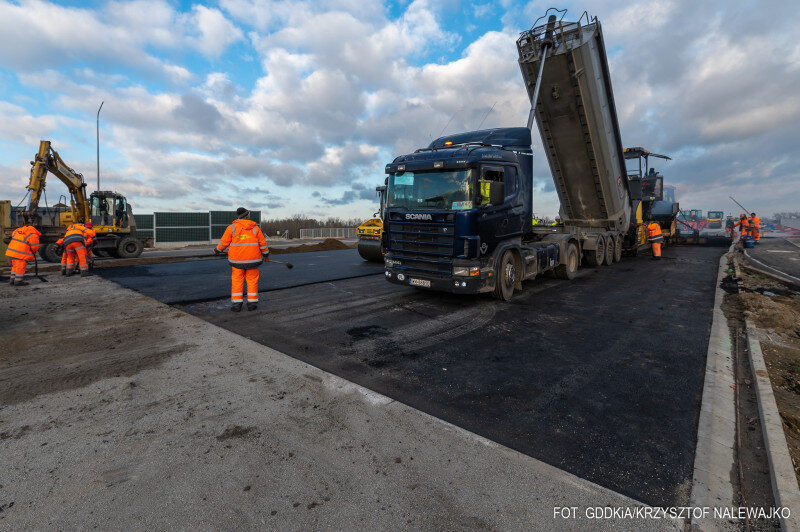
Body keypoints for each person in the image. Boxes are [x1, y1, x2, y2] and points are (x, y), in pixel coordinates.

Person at [213, 207, 269, 312]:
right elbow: (263, 244)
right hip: (253, 261)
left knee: (237, 281)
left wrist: (217, 250)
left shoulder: (231, 228)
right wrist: (266, 254)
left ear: (238, 216)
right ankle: (252, 304)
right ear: (247, 216)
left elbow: (224, 243)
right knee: (252, 281)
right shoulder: (255, 228)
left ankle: (236, 305)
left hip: (237, 261)